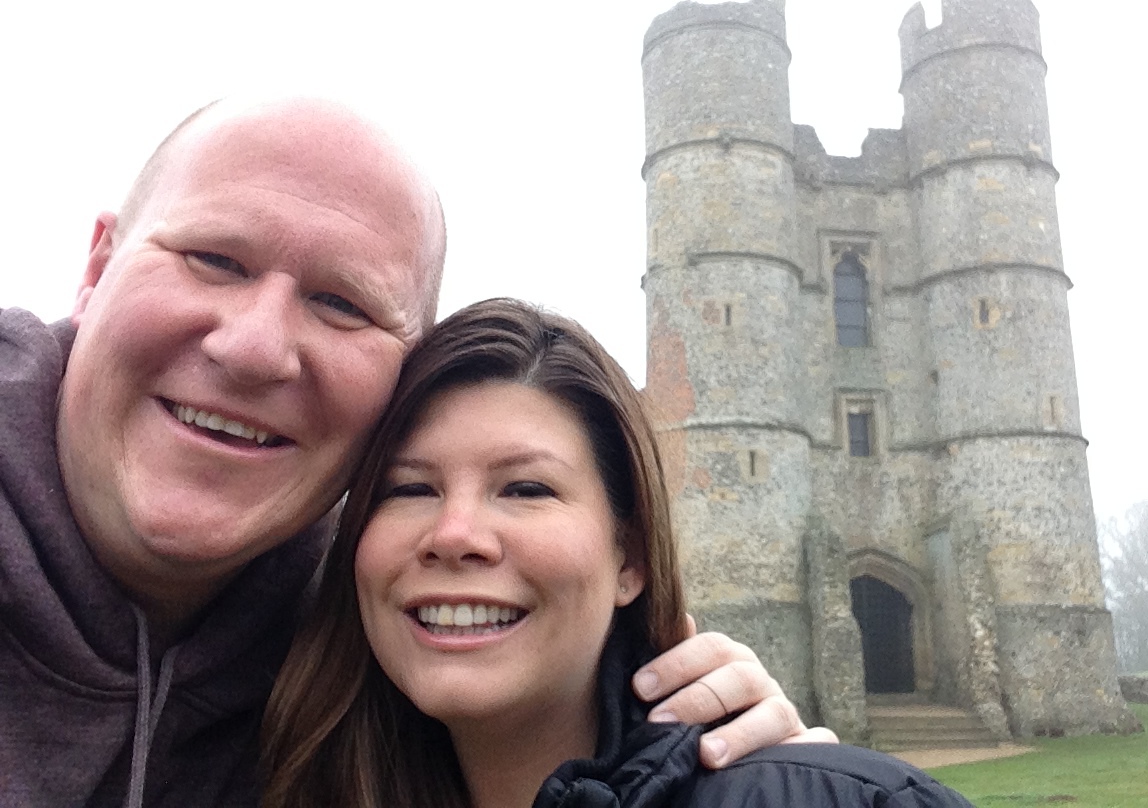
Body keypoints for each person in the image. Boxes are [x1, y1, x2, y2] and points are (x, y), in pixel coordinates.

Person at [0, 98, 830, 808]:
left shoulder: (363, 654)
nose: (255, 348)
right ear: (98, 264)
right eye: (213, 259)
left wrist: (772, 774)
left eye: (342, 303)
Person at [261, 298, 974, 808]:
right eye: (409, 488)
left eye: (526, 487)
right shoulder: (283, 775)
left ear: (629, 558)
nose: (455, 535)